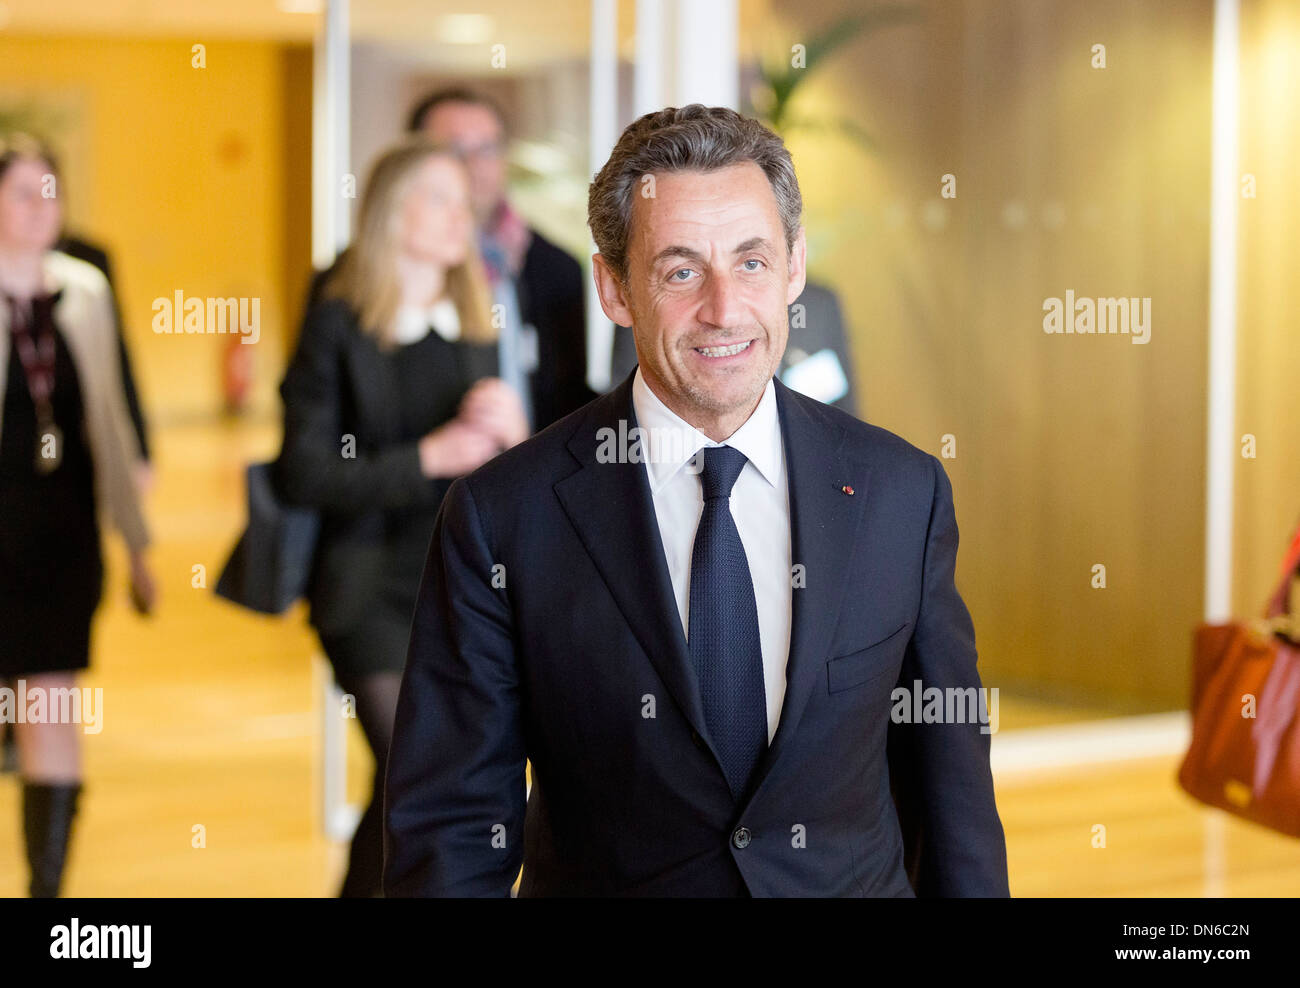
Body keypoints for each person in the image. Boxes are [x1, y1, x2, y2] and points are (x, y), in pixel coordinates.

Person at [384, 105, 1009, 897]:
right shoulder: (505, 517)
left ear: (794, 268)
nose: (724, 308)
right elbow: (452, 828)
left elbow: (951, 790)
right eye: (681, 271)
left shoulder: (901, 494)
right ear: (614, 288)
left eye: (751, 262)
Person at [275, 138, 529, 897]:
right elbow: (303, 469)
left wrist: (515, 437)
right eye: (442, 199)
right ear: (395, 210)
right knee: (412, 774)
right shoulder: (339, 321)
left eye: (465, 199)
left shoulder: (473, 321)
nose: (463, 215)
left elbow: (496, 475)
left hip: (454, 589)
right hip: (366, 590)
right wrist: (429, 455)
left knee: (407, 788)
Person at [0, 133, 156, 897]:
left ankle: (45, 889)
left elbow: (111, 422)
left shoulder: (85, 289)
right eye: (23, 192)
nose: (40, 208)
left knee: (51, 699)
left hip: (61, 534)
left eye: (50, 190)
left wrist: (138, 546)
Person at [409, 87, 594, 429]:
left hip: (532, 471)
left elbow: (569, 399)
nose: (472, 165)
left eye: (487, 149)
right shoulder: (360, 280)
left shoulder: (558, 270)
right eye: (453, 150)